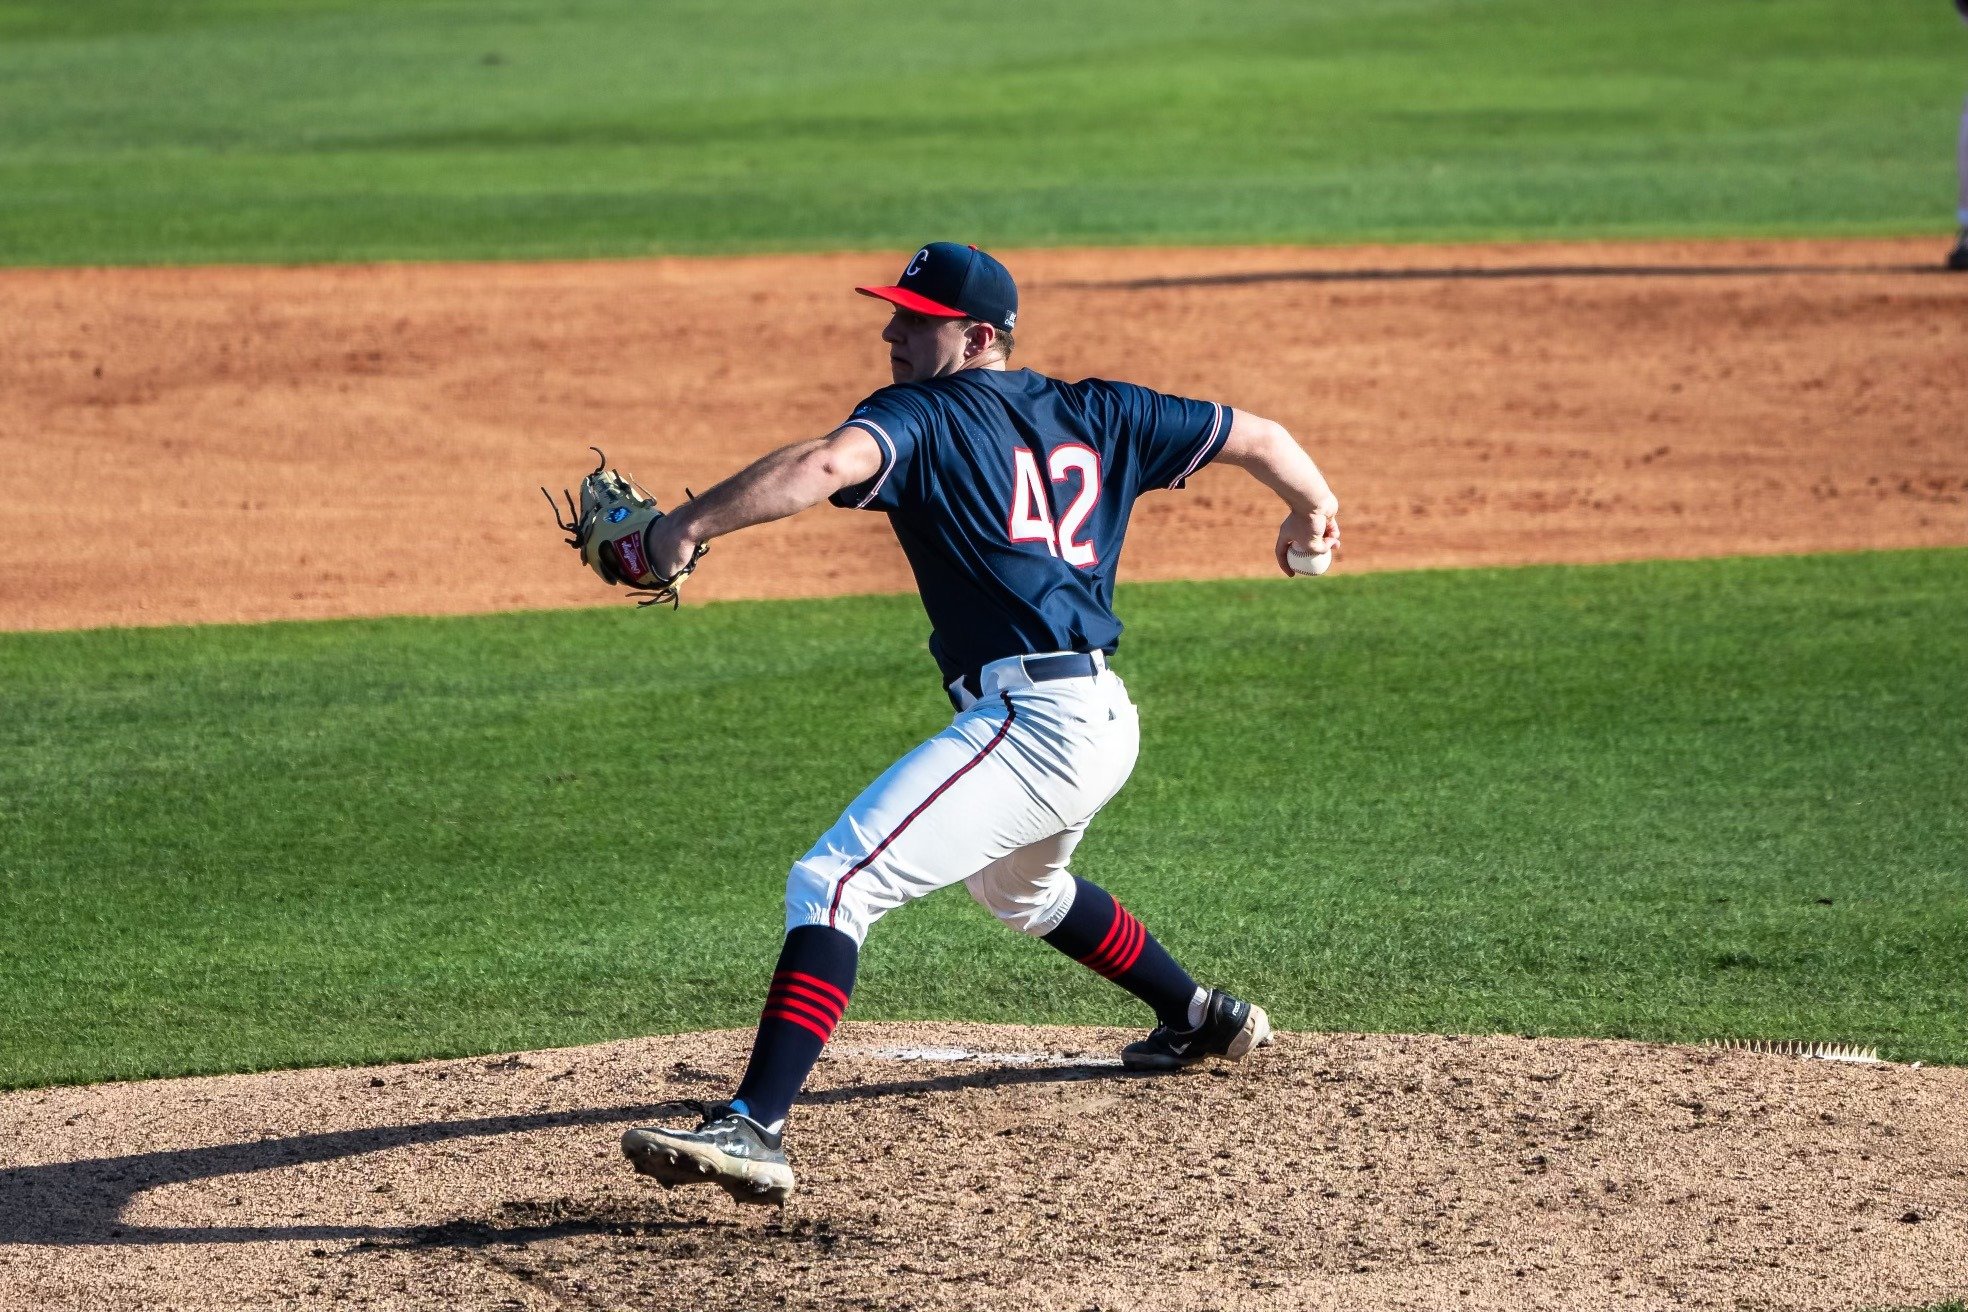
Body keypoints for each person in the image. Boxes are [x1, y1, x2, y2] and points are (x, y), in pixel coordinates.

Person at [619, 242, 1341, 1205]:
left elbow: (826, 463)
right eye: (895, 315)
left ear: (978, 336)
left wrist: (677, 531)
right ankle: (1202, 1016)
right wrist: (1313, 512)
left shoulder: (918, 415)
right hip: (1100, 719)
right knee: (1023, 895)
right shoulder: (1104, 409)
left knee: (833, 884)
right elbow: (1260, 434)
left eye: (914, 320)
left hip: (1035, 722)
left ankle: (755, 1125)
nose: (891, 333)